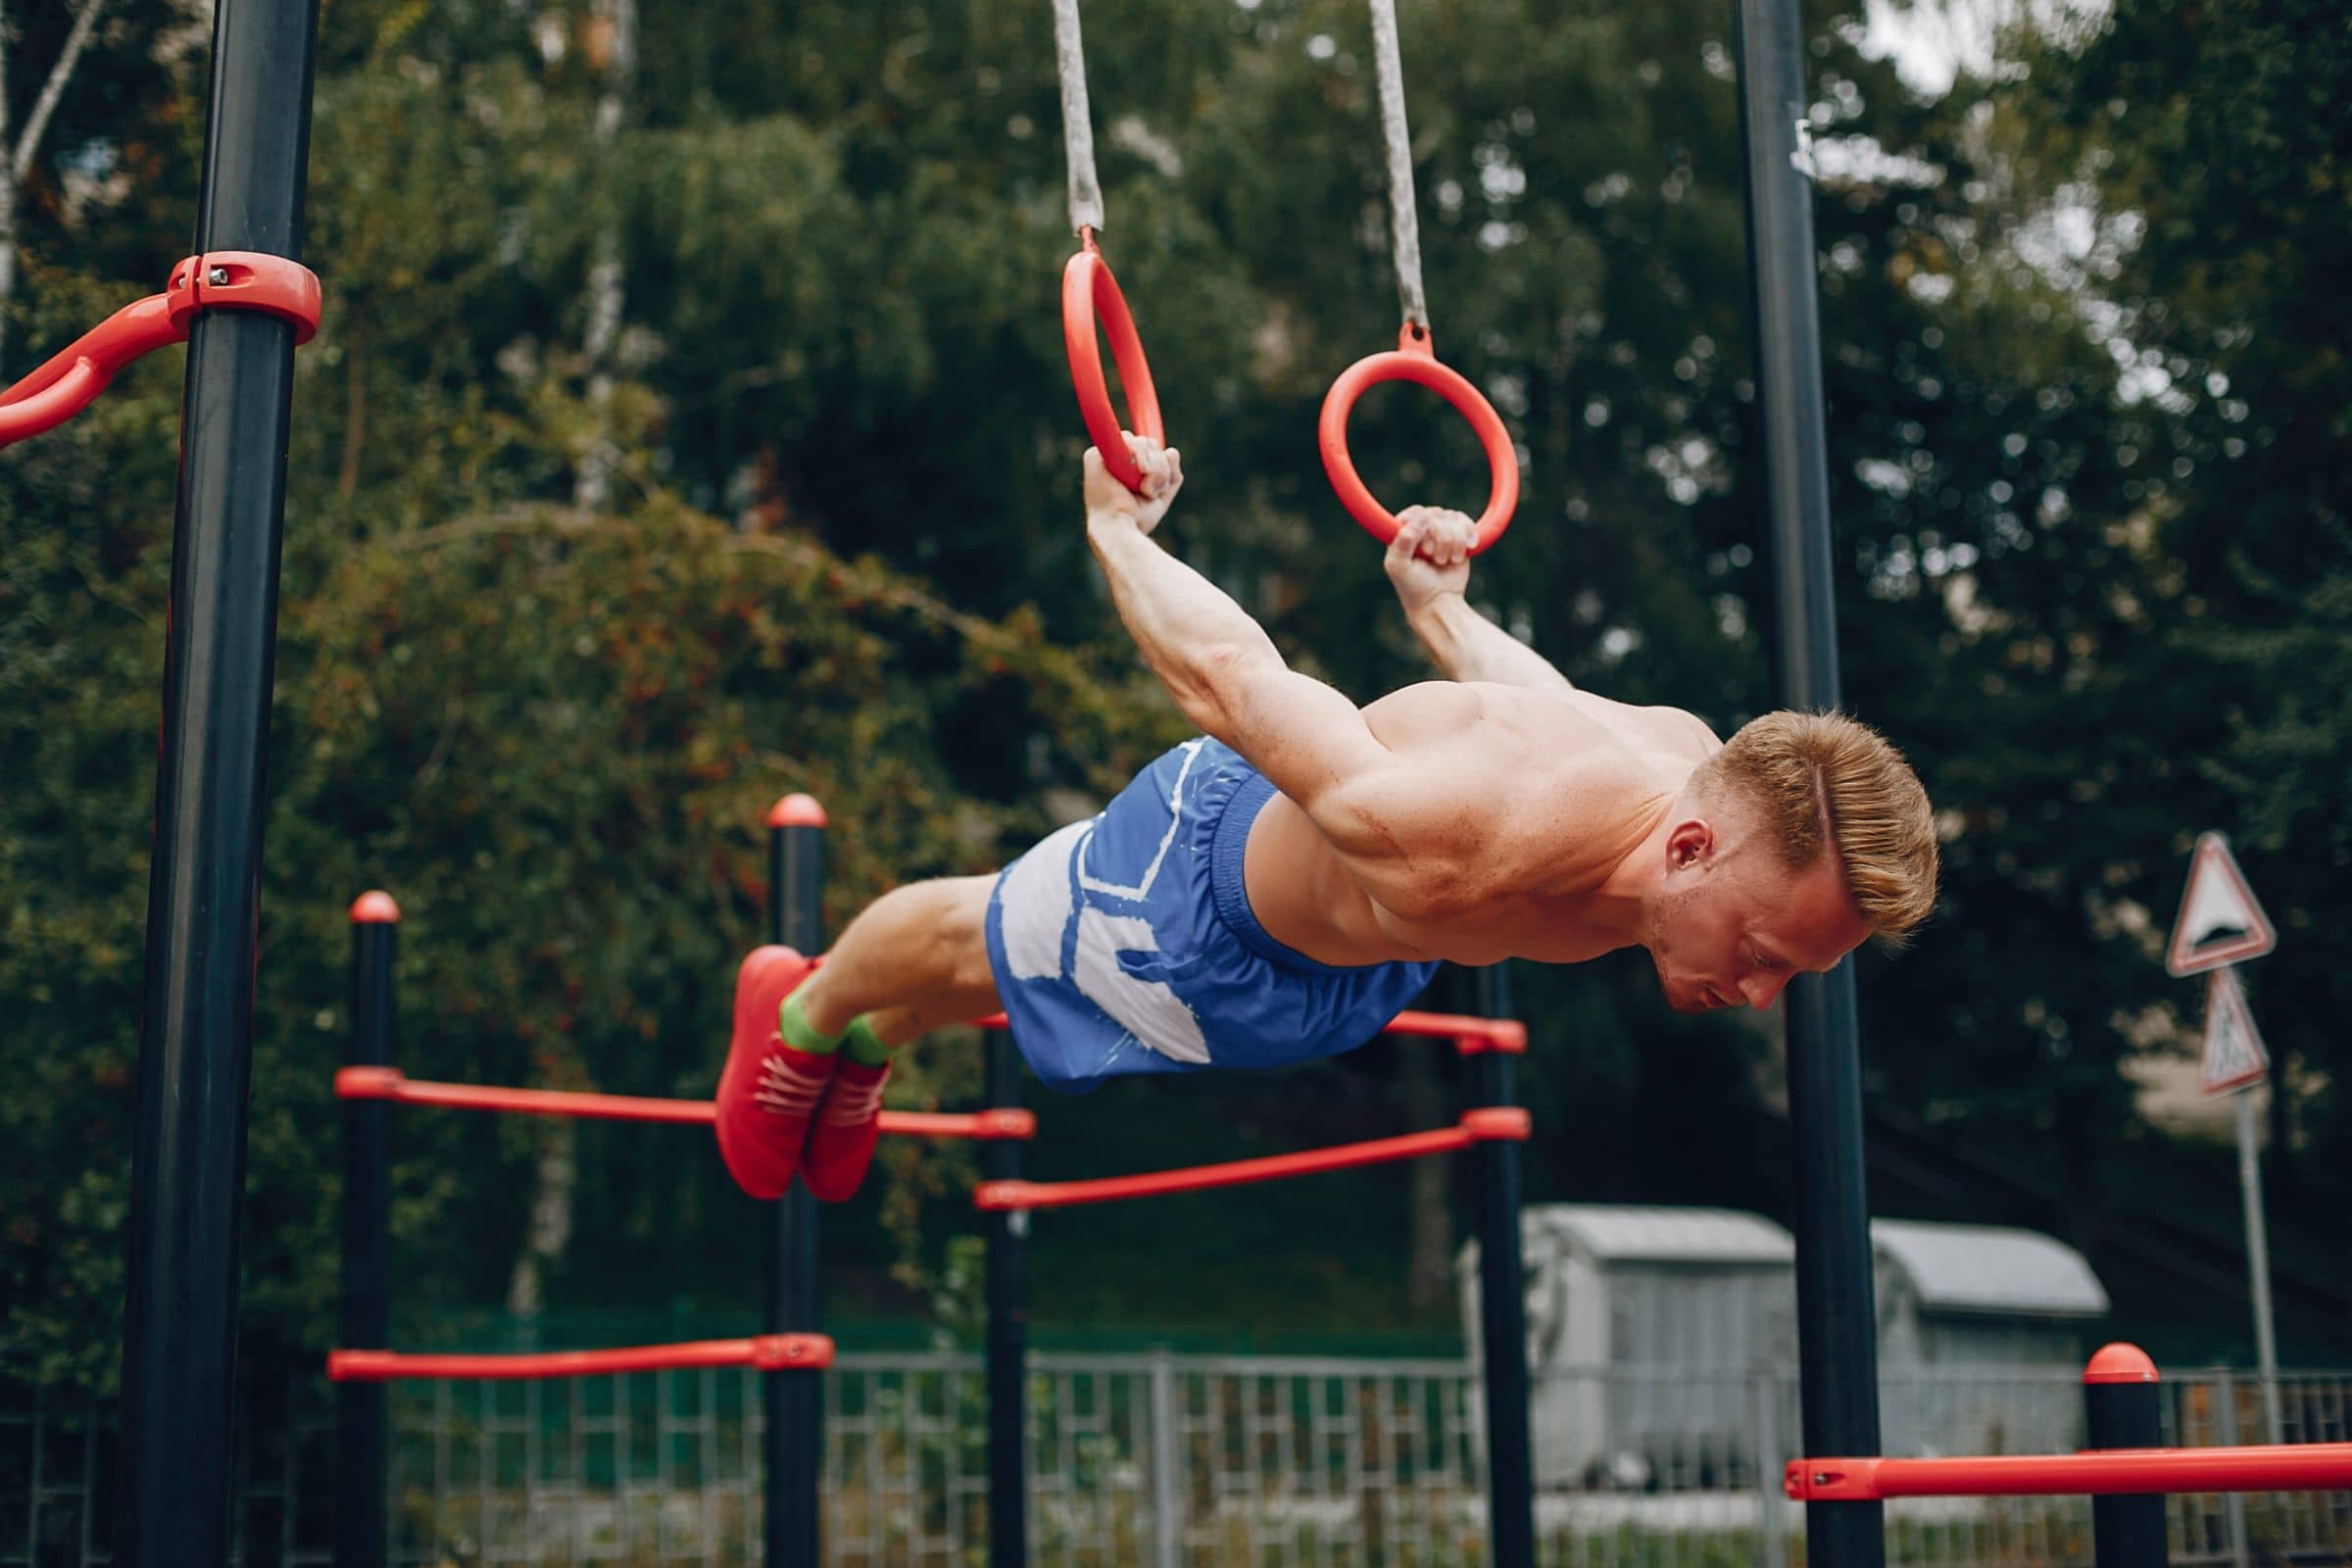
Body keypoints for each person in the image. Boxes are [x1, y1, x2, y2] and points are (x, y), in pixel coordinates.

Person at [715, 436, 1937, 1201]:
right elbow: (1235, 681)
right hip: (1202, 898)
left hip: (1352, 968)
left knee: (1014, 981)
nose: (1760, 993)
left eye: (1790, 970)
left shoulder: (1690, 767)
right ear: (1690, 848)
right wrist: (1118, 534)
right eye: (1763, 954)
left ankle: (868, 1044)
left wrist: (1443, 610)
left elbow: (1551, 703)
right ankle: (806, 1011)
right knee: (980, 936)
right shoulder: (1465, 834)